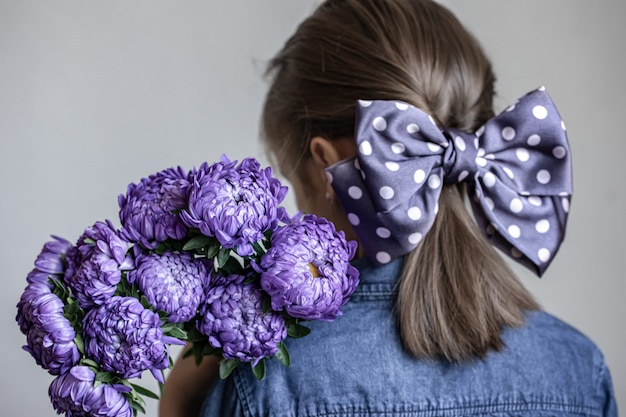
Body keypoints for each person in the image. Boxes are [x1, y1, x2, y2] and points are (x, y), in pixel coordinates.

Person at [160, 0, 617, 416]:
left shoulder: (266, 382)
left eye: (289, 175)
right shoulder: (579, 367)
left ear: (325, 163)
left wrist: (179, 399)